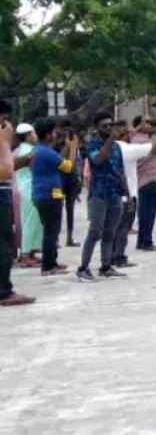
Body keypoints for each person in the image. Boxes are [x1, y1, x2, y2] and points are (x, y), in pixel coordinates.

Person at [78, 112, 129, 282]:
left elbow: (120, 171)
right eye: (104, 125)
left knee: (109, 232)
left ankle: (105, 266)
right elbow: (99, 160)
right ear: (97, 128)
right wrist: (109, 140)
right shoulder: (92, 145)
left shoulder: (116, 147)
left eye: (110, 125)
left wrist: (128, 194)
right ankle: (83, 268)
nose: (108, 128)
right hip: (98, 195)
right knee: (95, 231)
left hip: (114, 194)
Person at [30, 118, 77, 276]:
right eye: (54, 132)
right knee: (51, 232)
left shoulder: (40, 150)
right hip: (50, 195)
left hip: (43, 194)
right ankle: (48, 266)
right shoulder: (45, 152)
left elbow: (58, 160)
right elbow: (68, 167)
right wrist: (74, 148)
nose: (56, 134)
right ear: (48, 134)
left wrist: (66, 147)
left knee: (51, 231)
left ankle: (52, 262)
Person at [1, 101, 36, 306]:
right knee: (4, 247)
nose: (6, 127)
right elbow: (6, 171)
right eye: (3, 121)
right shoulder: (5, 142)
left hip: (7, 193)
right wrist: (5, 142)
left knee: (8, 241)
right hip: (12, 192)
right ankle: (4, 291)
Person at [131, 115, 156, 251]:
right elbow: (155, 146)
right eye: (146, 122)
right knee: (148, 212)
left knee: (146, 212)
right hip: (146, 179)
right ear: (138, 125)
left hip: (151, 179)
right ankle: (146, 242)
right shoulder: (137, 140)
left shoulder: (146, 139)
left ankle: (142, 241)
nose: (150, 123)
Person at [14, 124, 42, 268]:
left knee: (32, 219)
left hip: (25, 187)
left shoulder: (20, 149)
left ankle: (30, 252)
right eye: (34, 133)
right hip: (29, 188)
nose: (35, 136)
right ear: (28, 135)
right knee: (30, 220)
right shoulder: (30, 151)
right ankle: (25, 255)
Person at [56, 120, 83, 247]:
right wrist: (67, 147)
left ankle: (69, 237)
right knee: (57, 208)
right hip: (59, 178)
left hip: (72, 179)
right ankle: (55, 239)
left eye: (69, 130)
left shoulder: (75, 144)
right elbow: (57, 161)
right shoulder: (56, 144)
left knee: (70, 208)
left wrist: (79, 179)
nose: (67, 132)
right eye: (64, 130)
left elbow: (78, 162)